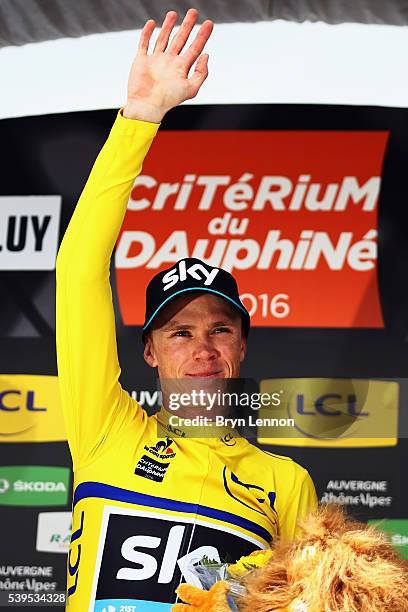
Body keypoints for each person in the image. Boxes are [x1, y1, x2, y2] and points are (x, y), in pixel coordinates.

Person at [55, 8, 317, 611]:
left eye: (220, 328)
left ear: (241, 347)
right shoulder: (107, 429)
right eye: (179, 332)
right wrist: (140, 117)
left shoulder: (286, 484)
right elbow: (77, 273)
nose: (203, 347)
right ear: (149, 349)